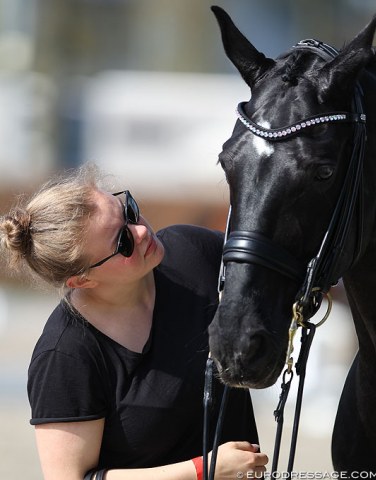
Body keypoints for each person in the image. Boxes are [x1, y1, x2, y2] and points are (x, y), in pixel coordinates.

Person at [0, 165, 268, 480]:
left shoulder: (193, 251)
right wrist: (203, 470)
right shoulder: (65, 356)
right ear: (82, 280)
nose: (141, 231)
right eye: (123, 243)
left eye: (129, 211)